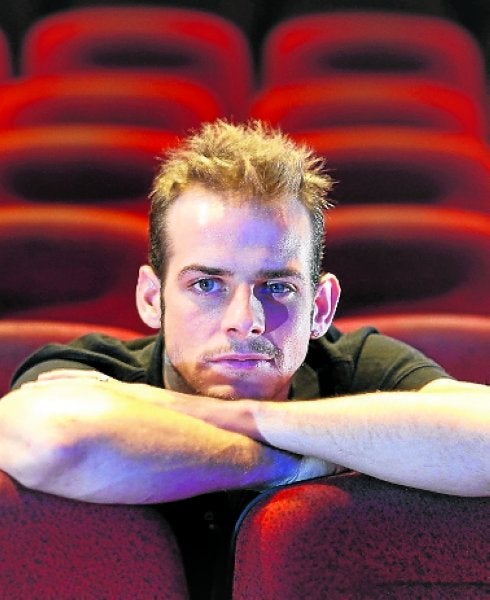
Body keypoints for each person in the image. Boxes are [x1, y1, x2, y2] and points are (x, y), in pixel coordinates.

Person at [1, 120, 488, 598]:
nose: (245, 320)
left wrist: (238, 416)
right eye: (207, 285)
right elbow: (57, 440)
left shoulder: (355, 366)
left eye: (277, 287)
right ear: (152, 298)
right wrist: (290, 465)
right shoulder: (96, 368)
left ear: (320, 307)